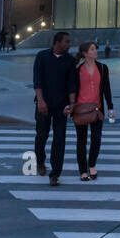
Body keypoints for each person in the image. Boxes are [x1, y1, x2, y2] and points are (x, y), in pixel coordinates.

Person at [67, 41, 113, 181]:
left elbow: (106, 89)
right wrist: (70, 106)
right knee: (81, 141)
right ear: (85, 53)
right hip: (81, 110)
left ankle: (92, 165)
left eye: (95, 49)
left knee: (96, 139)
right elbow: (72, 90)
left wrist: (110, 107)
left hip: (97, 110)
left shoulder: (103, 68)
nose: (95, 51)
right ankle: (83, 170)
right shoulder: (77, 70)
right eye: (92, 49)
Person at [32, 31, 73, 186]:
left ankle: (55, 174)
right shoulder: (42, 56)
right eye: (67, 42)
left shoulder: (69, 60)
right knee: (42, 135)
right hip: (44, 104)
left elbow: (71, 84)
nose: (69, 44)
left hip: (62, 106)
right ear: (57, 42)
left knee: (60, 138)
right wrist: (41, 101)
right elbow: (37, 81)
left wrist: (72, 104)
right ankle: (40, 161)